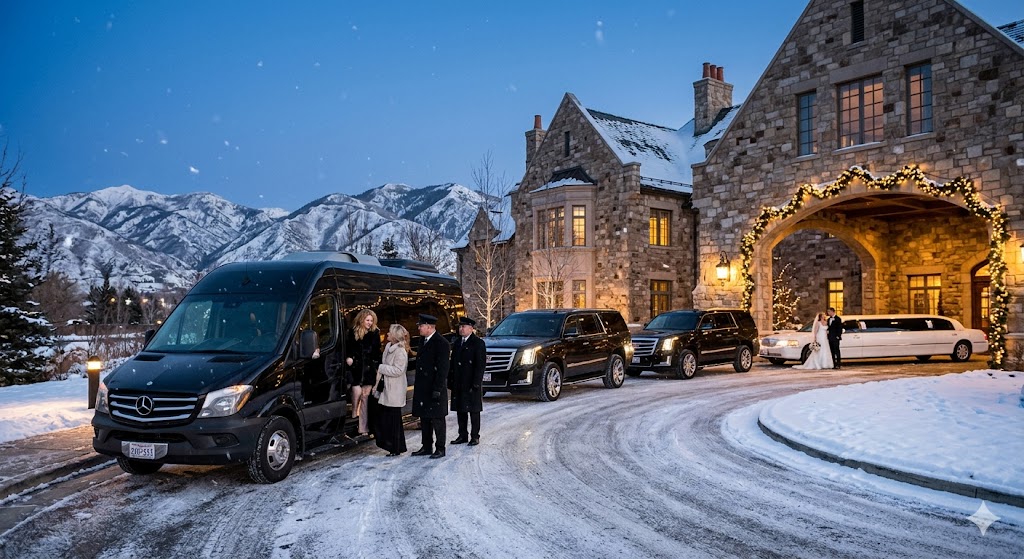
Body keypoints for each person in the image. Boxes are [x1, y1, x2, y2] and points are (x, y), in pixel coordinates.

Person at [411, 313, 451, 459]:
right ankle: (426, 446)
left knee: (437, 419)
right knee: (425, 418)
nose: (419, 328)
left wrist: (437, 389)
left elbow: (443, 369)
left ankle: (440, 448)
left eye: (421, 326)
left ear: (429, 327)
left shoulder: (441, 343)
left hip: (434, 387)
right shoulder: (423, 340)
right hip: (423, 387)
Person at [373, 324, 410, 456]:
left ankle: (396, 447)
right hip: (386, 387)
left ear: (394, 335)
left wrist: (382, 368)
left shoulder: (400, 351)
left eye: (389, 332)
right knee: (387, 418)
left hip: (394, 389)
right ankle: (392, 445)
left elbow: (399, 370)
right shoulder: (388, 347)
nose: (387, 333)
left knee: (393, 420)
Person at [449, 316, 486, 447]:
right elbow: (452, 363)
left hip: (471, 382)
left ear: (471, 328)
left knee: (474, 410)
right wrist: (450, 379)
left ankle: (475, 436)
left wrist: (476, 382)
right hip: (459, 381)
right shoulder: (458, 343)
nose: (461, 329)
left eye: (464, 327)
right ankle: (462, 435)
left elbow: (480, 365)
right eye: (460, 327)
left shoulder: (478, 343)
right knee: (461, 410)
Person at [346, 309, 383, 436]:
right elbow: (349, 347)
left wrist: (377, 365)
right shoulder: (353, 332)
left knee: (366, 398)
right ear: (362, 319)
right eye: (367, 320)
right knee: (356, 391)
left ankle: (363, 428)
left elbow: (377, 351)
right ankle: (353, 413)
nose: (369, 322)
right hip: (356, 367)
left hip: (369, 369)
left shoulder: (375, 333)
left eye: (371, 320)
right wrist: (349, 357)